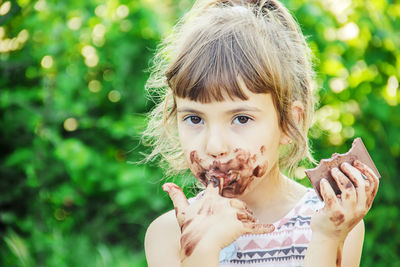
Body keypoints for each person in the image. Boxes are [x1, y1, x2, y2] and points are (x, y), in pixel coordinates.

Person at [142, 0, 380, 266]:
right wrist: (200, 249)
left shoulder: (331, 221)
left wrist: (328, 238)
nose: (214, 145)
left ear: (289, 123)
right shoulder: (170, 234)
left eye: (241, 118)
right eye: (194, 118)